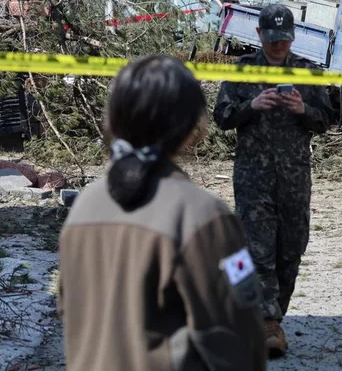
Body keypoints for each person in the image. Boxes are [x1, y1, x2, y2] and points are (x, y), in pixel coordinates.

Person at [59, 55, 266, 371]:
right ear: (192, 127)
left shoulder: (83, 208)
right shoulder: (204, 216)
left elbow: (69, 311)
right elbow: (241, 341)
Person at [214, 4, 334, 358]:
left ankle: (272, 316)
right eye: (272, 38)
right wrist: (252, 105)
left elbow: (326, 120)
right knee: (257, 249)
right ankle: (266, 323)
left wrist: (304, 110)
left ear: (292, 36)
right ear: (259, 35)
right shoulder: (244, 70)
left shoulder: (307, 72)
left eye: (284, 38)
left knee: (291, 248)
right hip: (253, 175)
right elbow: (222, 116)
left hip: (295, 177)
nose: (279, 45)